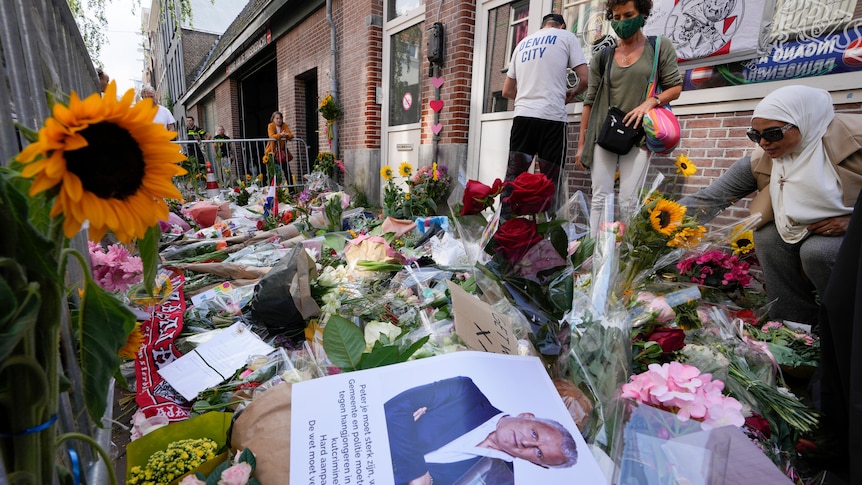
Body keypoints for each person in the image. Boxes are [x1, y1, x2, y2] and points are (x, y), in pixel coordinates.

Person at [679, 85, 862, 325]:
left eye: (773, 133)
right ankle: (795, 324)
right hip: (802, 229)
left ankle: (845, 327)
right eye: (755, 135)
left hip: (850, 230)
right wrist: (646, 227)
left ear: (805, 122)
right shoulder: (761, 159)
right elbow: (711, 199)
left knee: (818, 252)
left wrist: (853, 222)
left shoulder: (854, 143)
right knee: (767, 236)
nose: (763, 142)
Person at [575, 0, 682, 236]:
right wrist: (582, 144)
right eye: (617, 17)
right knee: (600, 196)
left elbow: (675, 87)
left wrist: (650, 102)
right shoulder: (603, 56)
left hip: (638, 134)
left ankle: (622, 259)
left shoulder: (658, 47)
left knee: (628, 199)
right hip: (605, 132)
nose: (622, 21)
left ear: (643, 14)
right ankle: (593, 257)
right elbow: (589, 101)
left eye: (628, 14)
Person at [384, 376, 579, 485]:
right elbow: (394, 409)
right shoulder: (464, 392)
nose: (526, 442)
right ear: (527, 416)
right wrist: (417, 475)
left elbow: (397, 419)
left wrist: (403, 429)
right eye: (534, 433)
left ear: (538, 464)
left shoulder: (499, 482)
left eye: (539, 453)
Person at [502, 13, 589, 212]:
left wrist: (528, 95)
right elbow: (585, 79)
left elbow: (507, 90)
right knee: (551, 182)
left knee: (513, 179)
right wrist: (572, 93)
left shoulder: (522, 44)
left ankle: (504, 231)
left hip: (523, 118)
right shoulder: (566, 36)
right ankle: (549, 233)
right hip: (552, 119)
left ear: (543, 26)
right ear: (562, 26)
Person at [266, 111, 295, 183]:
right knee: (273, 173)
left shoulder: (284, 125)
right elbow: (272, 136)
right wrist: (281, 135)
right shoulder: (271, 126)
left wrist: (286, 135)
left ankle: (292, 190)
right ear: (273, 119)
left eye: (280, 118)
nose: (279, 120)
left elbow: (291, 135)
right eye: (277, 118)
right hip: (272, 152)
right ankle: (273, 190)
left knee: (287, 171)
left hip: (282, 153)